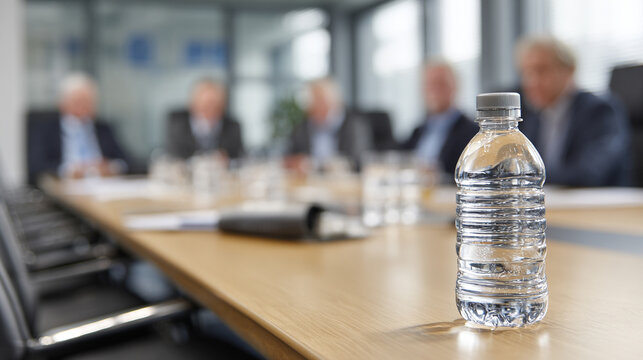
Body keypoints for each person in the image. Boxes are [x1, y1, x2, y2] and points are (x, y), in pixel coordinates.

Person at [515, 36, 630, 186]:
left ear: (569, 71)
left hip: (601, 205)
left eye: (541, 70)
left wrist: (526, 177)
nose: (531, 81)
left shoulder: (599, 111)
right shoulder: (532, 116)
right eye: (526, 72)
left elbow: (587, 173)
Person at [27, 73, 130, 185]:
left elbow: (127, 161)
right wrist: (69, 170)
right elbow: (36, 166)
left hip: (103, 186)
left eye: (88, 102)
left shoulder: (103, 129)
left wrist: (110, 167)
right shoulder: (46, 130)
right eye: (78, 101)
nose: (84, 107)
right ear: (62, 103)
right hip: (65, 189)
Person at [400, 61, 478, 174]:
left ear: (454, 87)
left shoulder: (472, 133)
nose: (434, 91)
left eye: (440, 84)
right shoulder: (418, 131)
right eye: (429, 84)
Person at [286, 78, 372, 172]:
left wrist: (314, 165)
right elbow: (290, 158)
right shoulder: (302, 128)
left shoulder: (355, 126)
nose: (315, 105)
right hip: (309, 183)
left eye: (320, 100)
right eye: (311, 101)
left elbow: (356, 161)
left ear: (335, 101)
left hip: (344, 183)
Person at [165, 78, 244, 160]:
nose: (211, 110)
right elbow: (174, 156)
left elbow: (238, 157)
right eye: (206, 105)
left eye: (216, 105)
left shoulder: (232, 127)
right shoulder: (178, 124)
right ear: (193, 105)